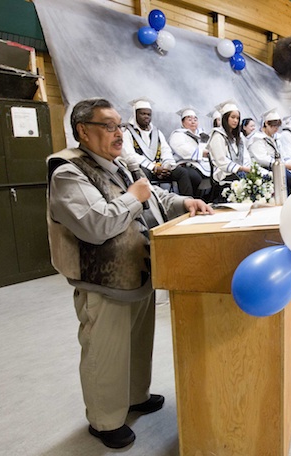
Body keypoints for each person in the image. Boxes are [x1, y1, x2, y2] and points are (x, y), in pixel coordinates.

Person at [47, 98, 212, 449]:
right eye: (108, 126)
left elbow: (155, 199)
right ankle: (104, 421)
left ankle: (136, 396)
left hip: (140, 273)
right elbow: (96, 224)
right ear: (83, 131)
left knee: (138, 346)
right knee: (105, 353)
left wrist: (185, 203)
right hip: (102, 282)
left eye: (119, 125)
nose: (118, 132)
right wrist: (134, 197)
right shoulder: (68, 173)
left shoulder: (119, 164)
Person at [121, 98, 198, 196]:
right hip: (144, 168)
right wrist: (153, 168)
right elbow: (129, 155)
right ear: (135, 114)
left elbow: (165, 150)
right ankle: (149, 206)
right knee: (142, 173)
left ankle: (187, 202)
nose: (146, 117)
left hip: (160, 168)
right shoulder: (127, 132)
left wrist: (166, 166)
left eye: (148, 114)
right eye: (143, 114)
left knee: (181, 172)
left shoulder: (156, 132)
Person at [207, 100, 251, 198]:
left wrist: (248, 168)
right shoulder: (217, 136)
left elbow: (246, 156)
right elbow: (221, 160)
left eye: (238, 118)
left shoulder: (238, 137)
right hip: (224, 174)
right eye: (233, 117)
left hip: (240, 172)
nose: (235, 120)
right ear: (225, 118)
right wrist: (241, 168)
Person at [168, 106, 211, 198]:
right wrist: (201, 153)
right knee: (195, 177)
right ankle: (192, 201)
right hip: (186, 164)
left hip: (202, 164)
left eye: (195, 119)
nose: (193, 122)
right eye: (189, 119)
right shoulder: (178, 134)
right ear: (182, 122)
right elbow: (182, 149)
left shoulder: (202, 135)